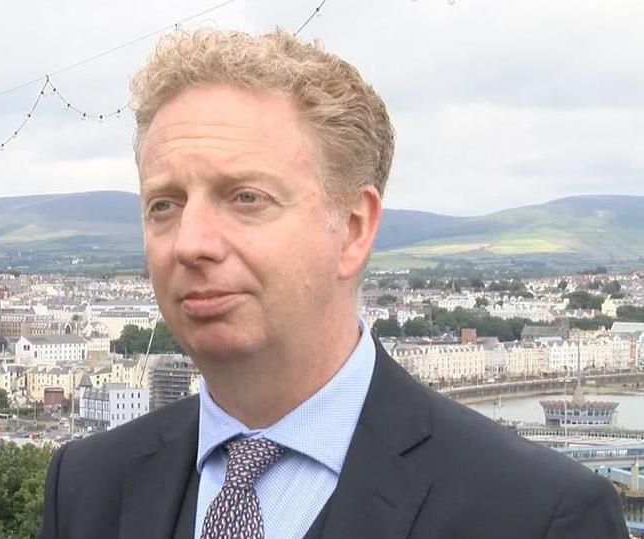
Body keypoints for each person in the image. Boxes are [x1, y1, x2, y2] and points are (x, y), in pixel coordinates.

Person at [36, 28, 627, 539]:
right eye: (164, 204)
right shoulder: (87, 486)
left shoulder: (536, 515)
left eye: (246, 198)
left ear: (353, 228)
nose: (191, 242)